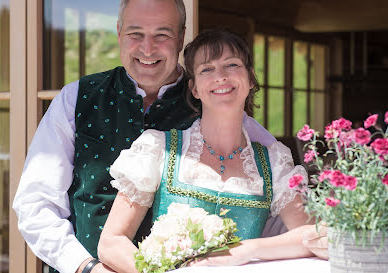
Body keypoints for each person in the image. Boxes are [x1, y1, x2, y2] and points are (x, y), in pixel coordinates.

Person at [12, 0, 288, 273]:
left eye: (161, 34)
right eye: (135, 33)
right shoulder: (76, 98)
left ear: (181, 38)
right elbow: (36, 205)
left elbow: (275, 188)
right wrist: (85, 267)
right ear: (119, 32)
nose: (147, 48)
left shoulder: (215, 99)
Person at [97, 29, 327, 273]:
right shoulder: (159, 150)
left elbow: (312, 236)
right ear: (194, 89)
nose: (221, 76)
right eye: (207, 69)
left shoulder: (273, 162)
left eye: (231, 64)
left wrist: (249, 249)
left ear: (250, 79)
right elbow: (111, 243)